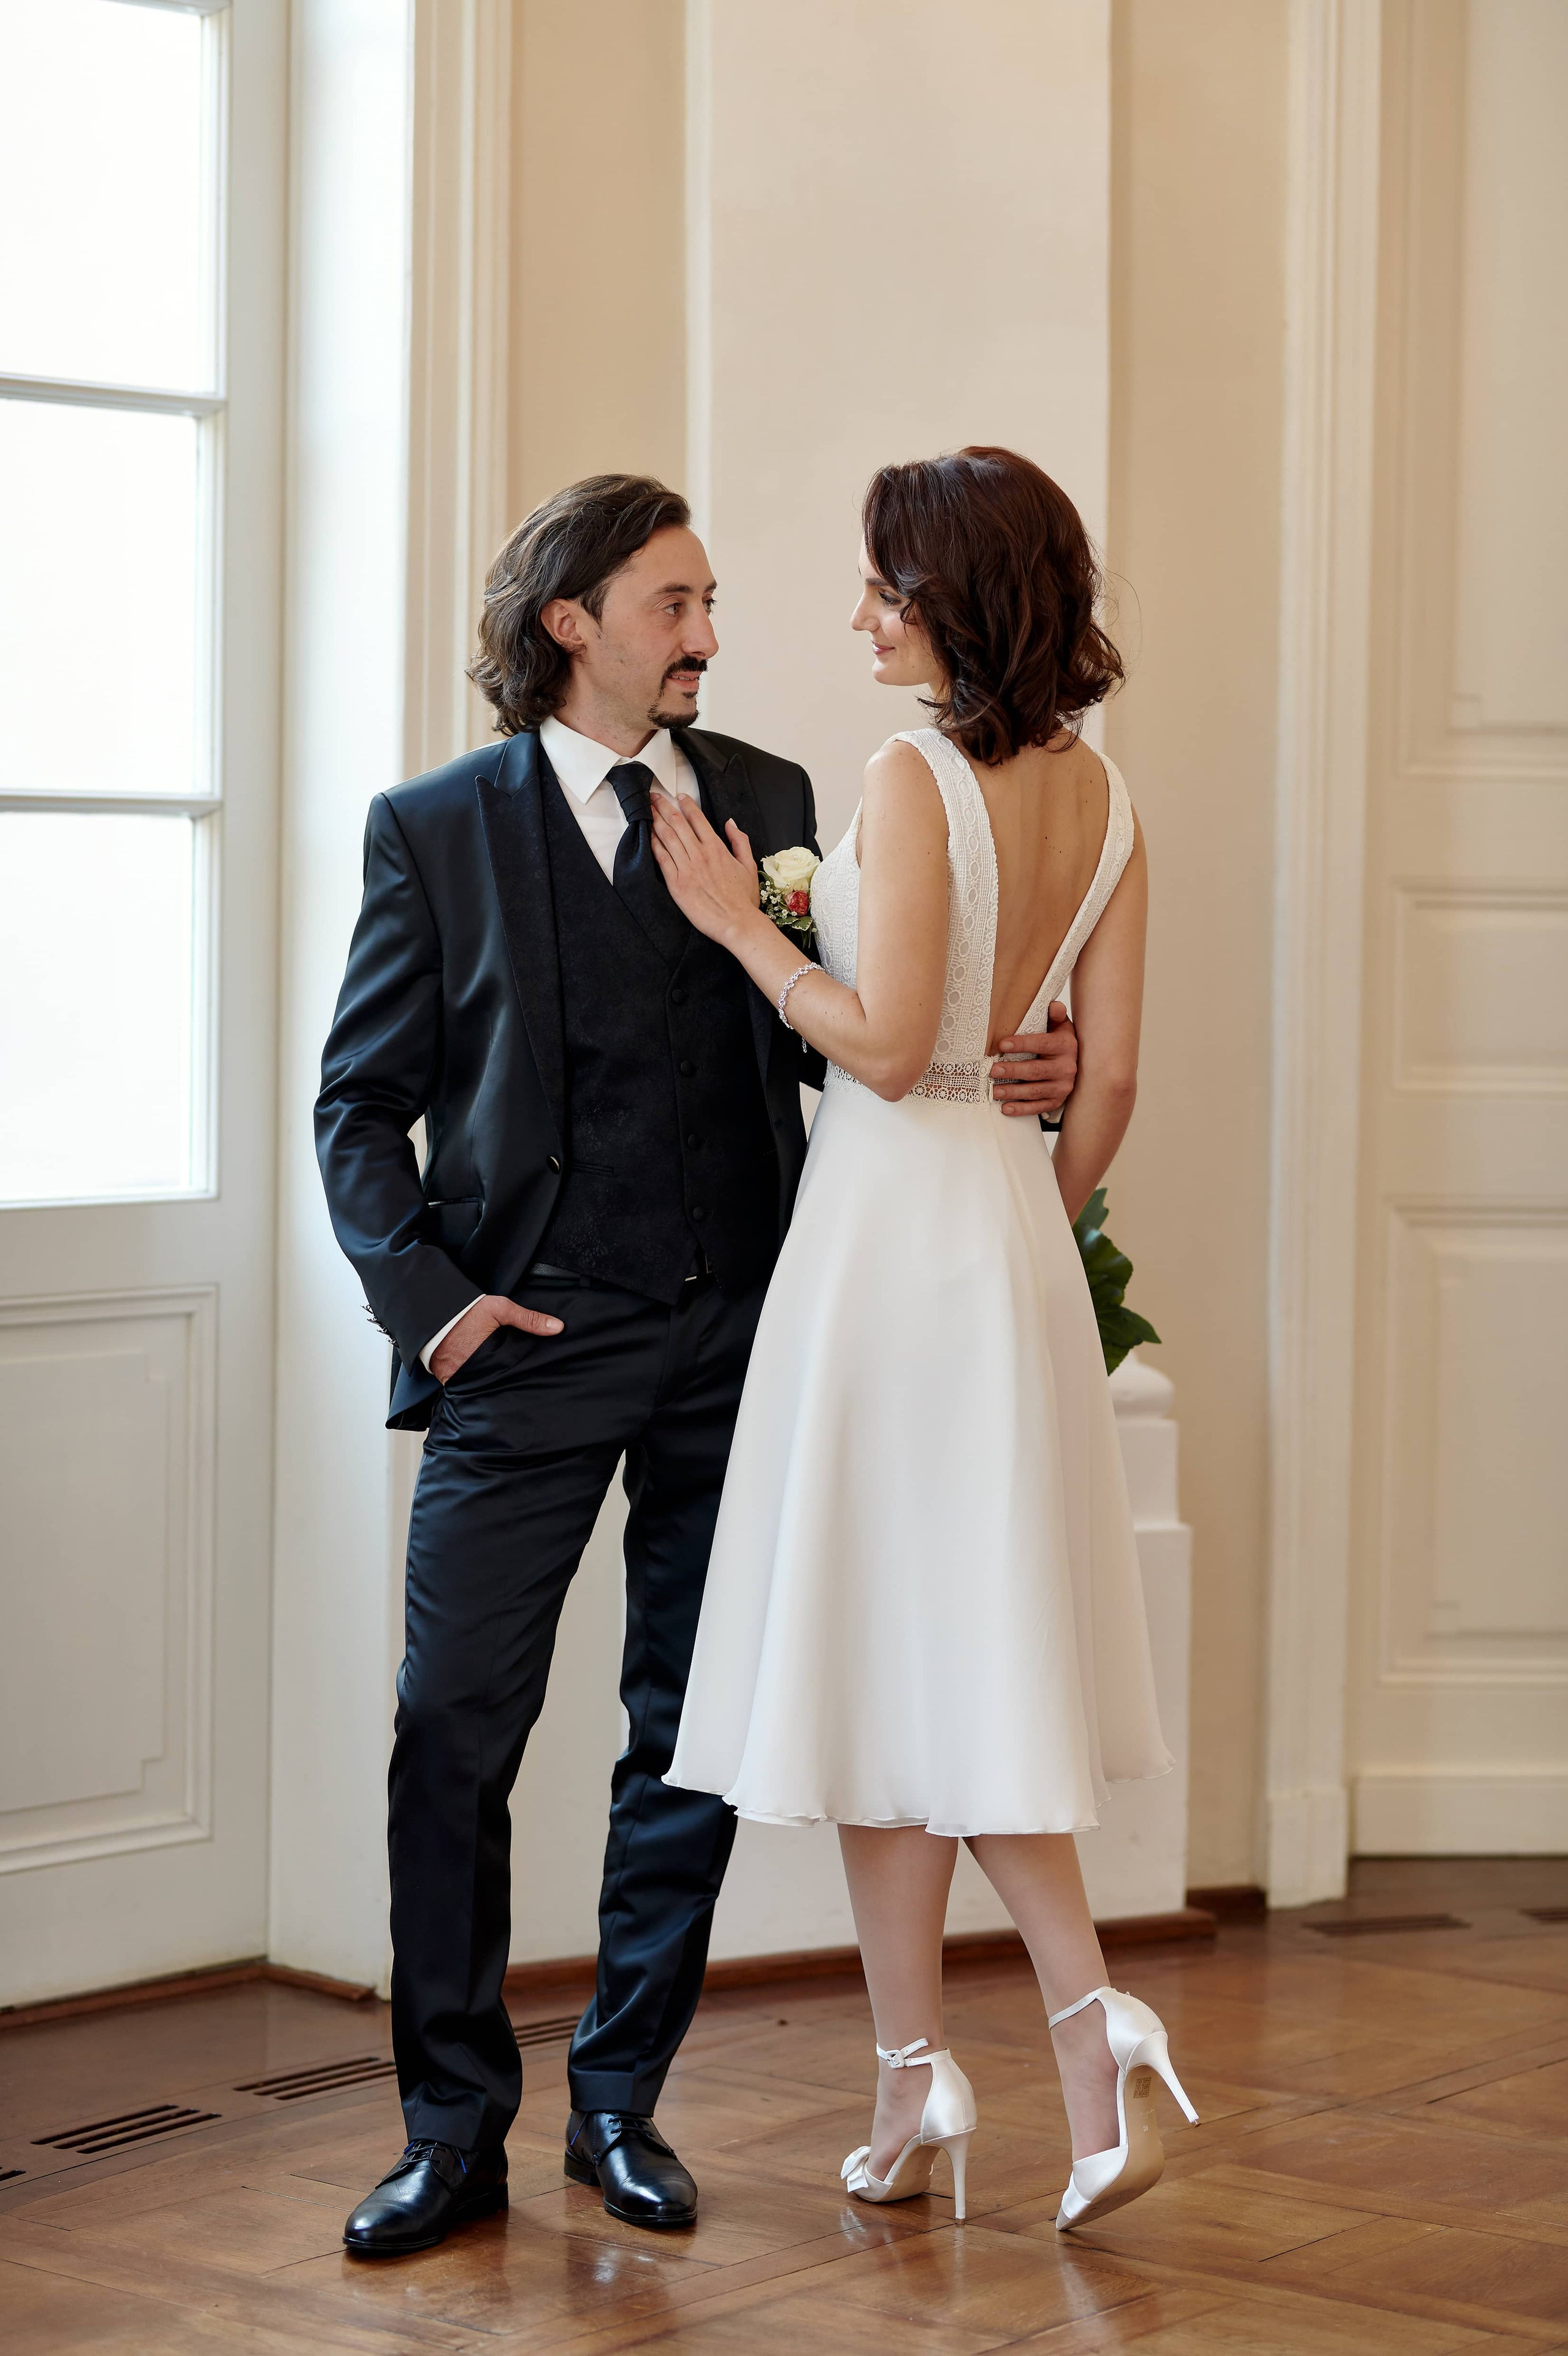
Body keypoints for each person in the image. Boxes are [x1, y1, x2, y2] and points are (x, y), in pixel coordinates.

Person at [314, 473, 1079, 2256]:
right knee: (454, 1730)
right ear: (572, 621)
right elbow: (358, 1107)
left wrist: (1007, 1062)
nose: (712, 638)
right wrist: (436, 1298)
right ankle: (449, 2125)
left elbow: (862, 1042)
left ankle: (618, 2106)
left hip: (742, 1334)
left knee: (690, 1733)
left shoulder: (777, 804)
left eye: (714, 601)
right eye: (678, 604)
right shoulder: (432, 830)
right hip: (527, 1342)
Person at [661, 446, 1195, 2233]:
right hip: (1009, 1242)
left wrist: (746, 928)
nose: (860, 613)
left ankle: (1063, 2029)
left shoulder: (904, 775)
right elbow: (1101, 1084)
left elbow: (883, 1051)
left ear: (955, 596)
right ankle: (917, 2085)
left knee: (913, 1662)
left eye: (885, 582)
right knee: (916, 1669)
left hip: (891, 1246)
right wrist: (1033, 1217)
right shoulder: (1108, 802)